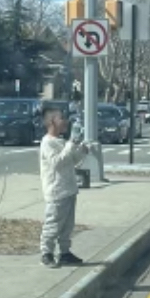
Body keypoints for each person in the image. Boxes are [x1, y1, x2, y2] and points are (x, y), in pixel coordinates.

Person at [39, 107, 88, 268]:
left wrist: (81, 151)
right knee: (53, 224)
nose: (65, 121)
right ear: (52, 121)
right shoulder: (47, 143)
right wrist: (70, 144)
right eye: (61, 118)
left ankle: (65, 252)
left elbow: (71, 161)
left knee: (67, 226)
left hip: (69, 189)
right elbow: (57, 162)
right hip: (56, 190)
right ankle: (46, 253)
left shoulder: (60, 142)